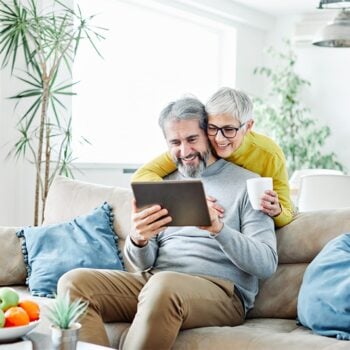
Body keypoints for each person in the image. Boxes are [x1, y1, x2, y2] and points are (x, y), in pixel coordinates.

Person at [57, 97, 277, 349]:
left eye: (192, 139)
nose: (184, 151)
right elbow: (143, 263)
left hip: (222, 292)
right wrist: (139, 239)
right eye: (175, 142)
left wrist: (218, 229)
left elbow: (266, 263)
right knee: (73, 282)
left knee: (164, 286)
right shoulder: (163, 184)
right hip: (156, 282)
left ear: (207, 133)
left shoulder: (248, 184)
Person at [132, 87, 294, 228]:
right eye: (212, 128)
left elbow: (288, 212)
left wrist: (277, 210)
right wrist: (186, 199)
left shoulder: (268, 154)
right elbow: (141, 176)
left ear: (248, 126)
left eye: (229, 129)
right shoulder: (200, 146)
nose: (219, 139)